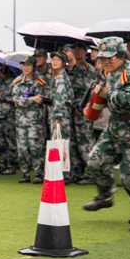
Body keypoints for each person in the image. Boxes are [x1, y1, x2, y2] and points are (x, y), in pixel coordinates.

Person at [82, 37, 130, 227]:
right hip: (115, 126)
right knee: (95, 161)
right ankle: (105, 196)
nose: (105, 62)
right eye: (102, 58)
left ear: (121, 55)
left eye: (110, 57)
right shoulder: (111, 72)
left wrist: (107, 94)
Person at [12, 56, 47, 183]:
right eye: (23, 65)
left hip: (35, 121)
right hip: (21, 121)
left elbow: (40, 99)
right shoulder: (17, 82)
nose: (25, 68)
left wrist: (23, 101)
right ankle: (25, 173)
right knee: (22, 148)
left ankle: (39, 173)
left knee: (35, 147)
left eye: (28, 65)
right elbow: (16, 100)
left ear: (33, 67)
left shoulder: (39, 82)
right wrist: (32, 99)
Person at [68, 42, 98, 184]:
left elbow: (90, 90)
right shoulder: (71, 69)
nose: (77, 51)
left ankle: (93, 174)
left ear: (86, 52)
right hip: (71, 110)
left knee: (85, 143)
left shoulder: (88, 69)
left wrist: (80, 105)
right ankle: (77, 172)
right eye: (75, 48)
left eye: (80, 49)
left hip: (83, 110)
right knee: (73, 143)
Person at [48, 51, 74, 183]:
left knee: (62, 144)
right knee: (61, 144)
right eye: (53, 59)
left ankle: (65, 175)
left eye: (58, 60)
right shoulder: (57, 77)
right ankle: (63, 174)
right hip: (60, 114)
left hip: (61, 115)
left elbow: (60, 99)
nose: (54, 61)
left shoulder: (61, 78)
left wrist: (57, 118)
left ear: (64, 63)